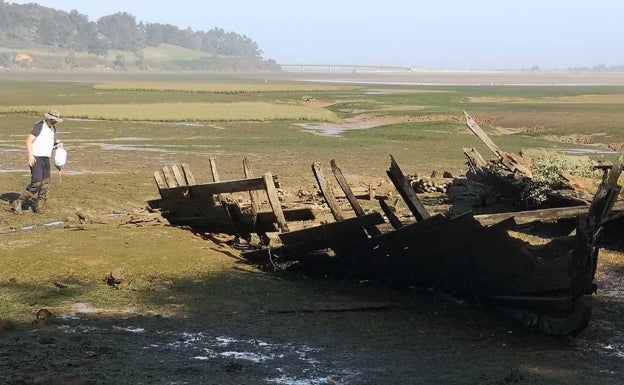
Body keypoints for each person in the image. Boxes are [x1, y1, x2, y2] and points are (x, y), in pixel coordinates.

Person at [12, 110, 64, 213]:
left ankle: (41, 208)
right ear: (48, 118)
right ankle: (19, 201)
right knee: (37, 182)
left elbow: (48, 143)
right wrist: (30, 156)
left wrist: (57, 145)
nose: (54, 122)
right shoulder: (40, 125)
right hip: (36, 157)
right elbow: (29, 140)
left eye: (56, 121)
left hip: (46, 158)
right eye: (53, 120)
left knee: (45, 183)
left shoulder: (53, 129)